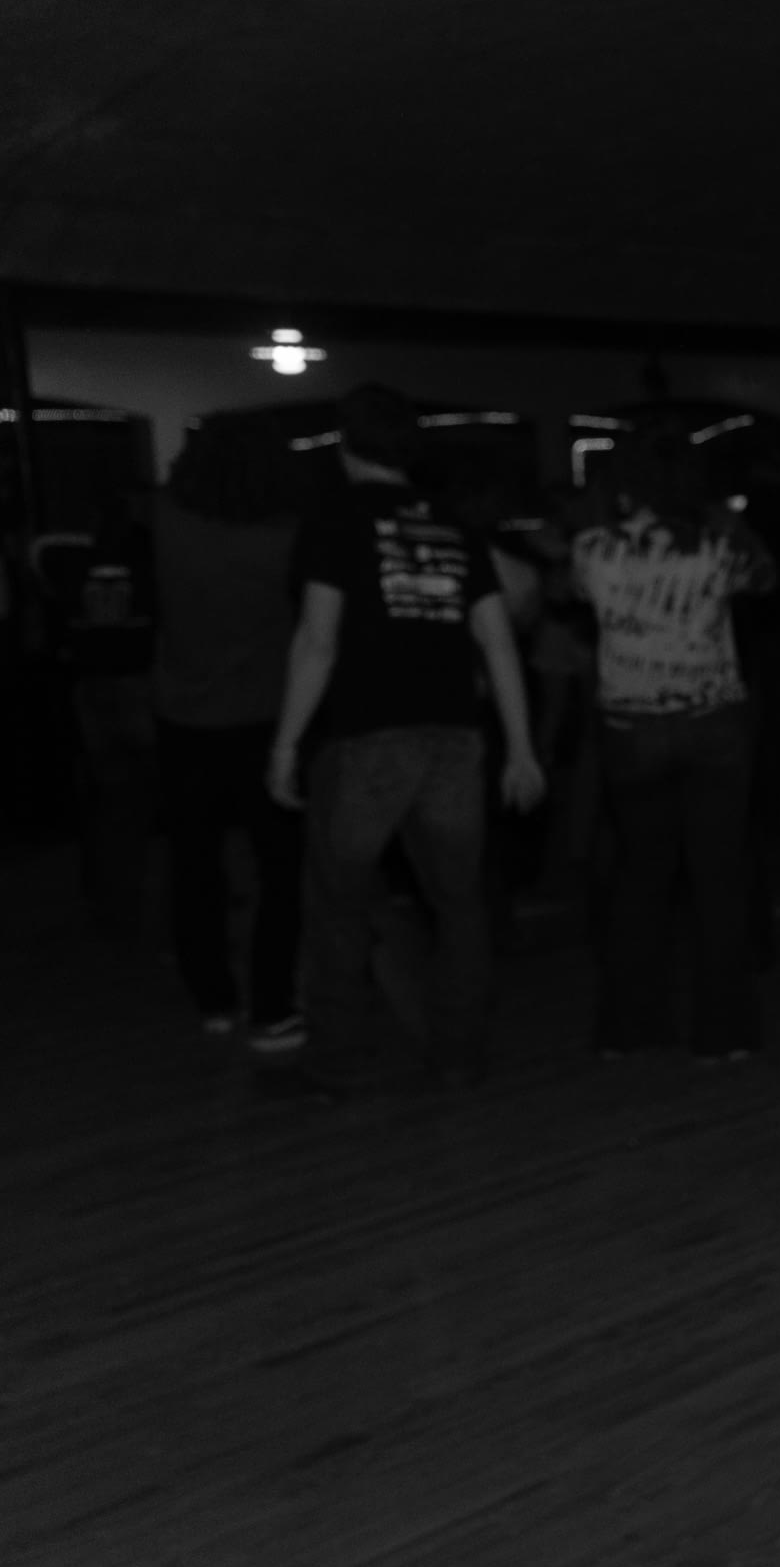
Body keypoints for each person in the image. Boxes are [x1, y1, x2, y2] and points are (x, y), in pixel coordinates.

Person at [268, 385, 546, 1091]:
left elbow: (318, 641)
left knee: (337, 906)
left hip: (367, 735)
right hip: (454, 735)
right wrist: (520, 747)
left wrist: (285, 743)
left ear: (345, 446)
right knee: (459, 905)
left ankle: (335, 1059)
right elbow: (498, 642)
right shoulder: (453, 523)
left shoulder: (335, 519)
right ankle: (458, 1053)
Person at [568, 429, 775, 1058]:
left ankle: (628, 1030)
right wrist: (723, 519)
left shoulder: (591, 549)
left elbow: (575, 596)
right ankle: (725, 1034)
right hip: (712, 722)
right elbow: (767, 579)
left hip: (631, 729)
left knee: (640, 874)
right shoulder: (718, 546)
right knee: (718, 874)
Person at [151, 451, 305, 1047]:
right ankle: (271, 1006)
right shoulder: (286, 538)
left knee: (194, 864)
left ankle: (213, 997)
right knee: (279, 868)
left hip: (184, 718)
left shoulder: (169, 522)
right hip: (264, 716)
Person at [31, 488, 160, 942]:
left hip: (92, 687)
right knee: (146, 794)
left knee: (111, 795)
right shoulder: (145, 566)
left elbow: (39, 552)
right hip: (135, 684)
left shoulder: (70, 564)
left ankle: (111, 894)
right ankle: (138, 893)